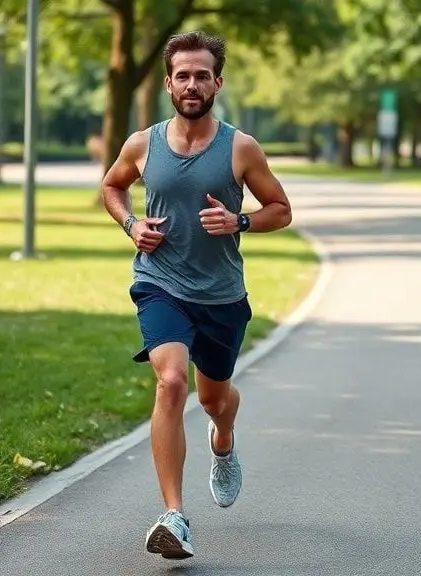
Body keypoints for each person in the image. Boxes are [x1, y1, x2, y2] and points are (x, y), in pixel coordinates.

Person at [100, 30, 293, 559]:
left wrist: (240, 220)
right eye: (182, 75)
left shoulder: (241, 148)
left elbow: (281, 208)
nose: (191, 84)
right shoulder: (142, 144)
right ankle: (174, 516)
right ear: (168, 83)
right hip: (159, 283)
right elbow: (111, 187)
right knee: (169, 382)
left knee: (213, 399)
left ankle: (224, 440)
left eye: (201, 75)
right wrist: (131, 224)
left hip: (221, 295)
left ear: (217, 82)